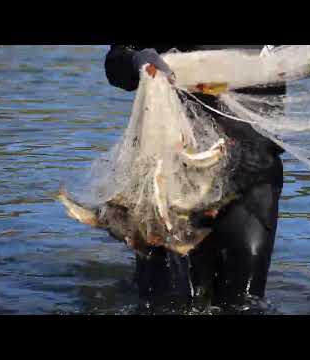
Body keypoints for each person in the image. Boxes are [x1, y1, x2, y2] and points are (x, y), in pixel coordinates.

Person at [104, 45, 285, 312]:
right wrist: (136, 61)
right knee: (164, 305)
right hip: (170, 179)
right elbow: (116, 62)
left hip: (253, 172)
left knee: (244, 305)